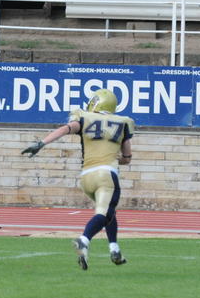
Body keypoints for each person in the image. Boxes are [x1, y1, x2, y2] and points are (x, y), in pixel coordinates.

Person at [21, 89, 133, 271]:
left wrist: (41, 143)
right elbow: (127, 158)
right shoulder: (123, 122)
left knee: (108, 211)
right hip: (106, 175)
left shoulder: (83, 117)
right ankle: (84, 240)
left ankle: (115, 249)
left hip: (86, 177)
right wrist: (112, 156)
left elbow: (65, 129)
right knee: (104, 213)